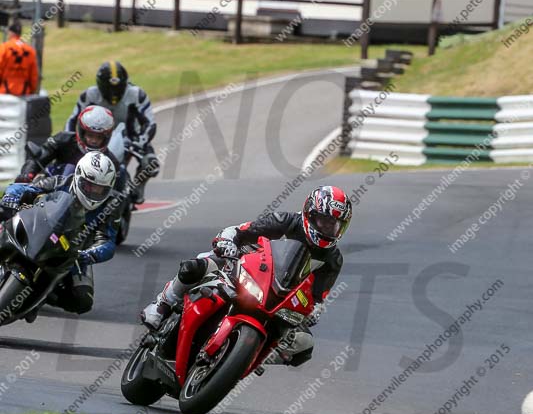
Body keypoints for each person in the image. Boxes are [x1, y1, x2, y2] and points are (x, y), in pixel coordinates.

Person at [141, 186, 352, 366]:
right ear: (310, 214)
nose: (328, 228)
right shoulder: (285, 221)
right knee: (194, 267)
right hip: (241, 267)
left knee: (304, 345)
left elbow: (318, 297)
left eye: (334, 225)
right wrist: (227, 241)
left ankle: (254, 358)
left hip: (279, 298)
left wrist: (315, 310)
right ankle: (163, 303)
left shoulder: (332, 259)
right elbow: (240, 230)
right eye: (324, 221)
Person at [1, 151, 118, 316]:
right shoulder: (61, 182)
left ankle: (44, 296)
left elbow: (107, 242)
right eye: (89, 185)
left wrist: (89, 255)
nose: (93, 192)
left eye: (100, 189)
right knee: (2, 212)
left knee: (83, 300)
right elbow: (23, 188)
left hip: (75, 252)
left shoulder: (112, 205)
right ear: (78, 177)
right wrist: (11, 198)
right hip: (41, 230)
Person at [65, 61, 159, 204]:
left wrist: (140, 142)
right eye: (109, 88)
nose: (113, 93)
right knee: (66, 158)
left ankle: (138, 187)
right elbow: (73, 120)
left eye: (118, 88)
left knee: (151, 163)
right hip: (97, 137)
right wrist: (71, 139)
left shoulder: (137, 94)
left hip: (131, 138)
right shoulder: (89, 95)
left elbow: (150, 123)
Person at [17, 104, 119, 182]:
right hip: (52, 191)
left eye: (99, 137)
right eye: (90, 135)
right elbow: (40, 156)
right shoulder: (63, 140)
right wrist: (28, 173)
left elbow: (118, 191)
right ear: (81, 132)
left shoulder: (110, 161)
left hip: (87, 204)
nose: (94, 140)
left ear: (106, 137)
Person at [0, 20, 39, 95]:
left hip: (4, 92)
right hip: (24, 92)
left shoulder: (4, 48)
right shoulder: (30, 50)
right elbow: (34, 75)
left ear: (10, 32)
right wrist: (32, 90)